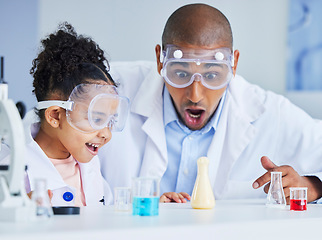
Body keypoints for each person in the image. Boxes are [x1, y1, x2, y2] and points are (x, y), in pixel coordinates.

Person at [99, 3, 322, 204]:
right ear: (160, 60)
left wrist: (315, 186)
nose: (195, 95)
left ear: (233, 64)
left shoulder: (271, 112)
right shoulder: (110, 89)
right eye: (180, 73)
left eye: (212, 75)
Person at [24, 23, 129, 206]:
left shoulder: (88, 164)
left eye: (111, 121)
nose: (106, 134)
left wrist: (148, 205)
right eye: (96, 119)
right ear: (55, 116)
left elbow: (108, 217)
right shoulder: (13, 168)